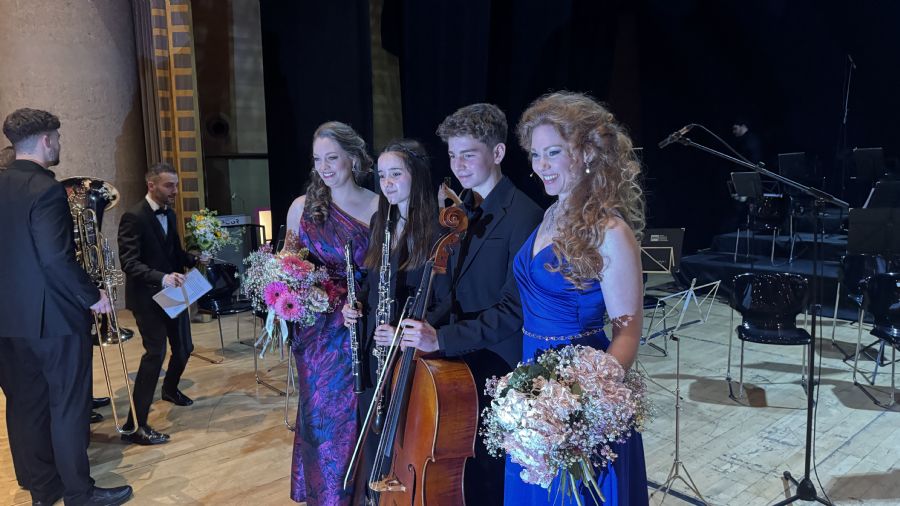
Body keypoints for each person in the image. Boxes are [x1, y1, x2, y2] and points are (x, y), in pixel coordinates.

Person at [505, 91, 649, 504]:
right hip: (532, 386)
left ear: (586, 152)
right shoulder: (551, 214)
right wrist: (533, 401)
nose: (541, 166)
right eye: (536, 155)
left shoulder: (610, 232)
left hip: (579, 396)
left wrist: (576, 404)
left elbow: (628, 333)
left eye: (553, 152)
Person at [397, 103, 543, 505]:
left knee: (485, 476)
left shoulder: (525, 216)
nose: (458, 165)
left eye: (468, 154)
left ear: (497, 153)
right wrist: (416, 325)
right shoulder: (457, 211)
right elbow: (447, 293)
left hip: (495, 366)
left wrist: (441, 338)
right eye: (452, 155)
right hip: (453, 363)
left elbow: (515, 310)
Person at [0, 108, 133, 505]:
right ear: (46, 140)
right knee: (68, 406)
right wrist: (93, 296)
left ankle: (43, 490)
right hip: (54, 319)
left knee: (24, 406)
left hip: (7, 321)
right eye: (57, 137)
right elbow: (56, 260)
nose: (59, 144)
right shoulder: (46, 189)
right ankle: (78, 492)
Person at [284, 121, 379, 505]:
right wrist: (299, 296)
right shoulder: (300, 208)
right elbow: (288, 270)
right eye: (317, 159)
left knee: (357, 419)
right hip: (316, 337)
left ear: (353, 159)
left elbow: (384, 275)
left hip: (360, 328)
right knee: (321, 423)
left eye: (332, 158)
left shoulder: (378, 206)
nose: (324, 167)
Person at [341, 139, 438, 500]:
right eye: (382, 176)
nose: (387, 183)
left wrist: (400, 332)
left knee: (400, 441)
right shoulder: (381, 222)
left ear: (417, 175)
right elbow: (372, 285)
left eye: (396, 174)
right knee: (373, 439)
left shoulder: (436, 231)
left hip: (406, 355)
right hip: (374, 348)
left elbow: (437, 299)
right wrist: (354, 307)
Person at [117, 162, 206, 445]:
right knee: (155, 355)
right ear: (151, 185)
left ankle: (169, 389)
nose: (175, 191)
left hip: (173, 294)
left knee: (185, 348)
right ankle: (135, 425)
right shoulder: (133, 217)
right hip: (147, 298)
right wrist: (162, 277)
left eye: (176, 185)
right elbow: (129, 263)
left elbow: (174, 253)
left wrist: (194, 258)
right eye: (169, 185)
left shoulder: (170, 212)